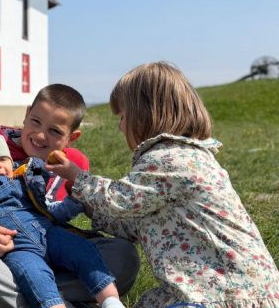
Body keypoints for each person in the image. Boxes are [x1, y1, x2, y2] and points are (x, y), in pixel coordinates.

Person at [48, 62, 279, 307]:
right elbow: (138, 225)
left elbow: (120, 200)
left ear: (144, 114)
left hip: (229, 292)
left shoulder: (169, 159)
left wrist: (77, 177)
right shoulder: (187, 156)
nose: (119, 126)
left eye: (123, 117)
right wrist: (88, 207)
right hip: (222, 286)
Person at [0, 84, 140, 308]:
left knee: (124, 255)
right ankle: (53, 299)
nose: (40, 135)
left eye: (55, 131)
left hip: (54, 246)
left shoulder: (73, 164)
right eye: (36, 122)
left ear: (72, 137)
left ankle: (10, 298)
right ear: (27, 114)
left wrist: (80, 198)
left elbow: (57, 212)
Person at [0, 130, 125, 308]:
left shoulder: (24, 181)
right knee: (33, 275)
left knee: (82, 250)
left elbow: (51, 210)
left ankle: (110, 300)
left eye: (2, 159)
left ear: (11, 162)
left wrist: (73, 201)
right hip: (18, 249)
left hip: (49, 233)